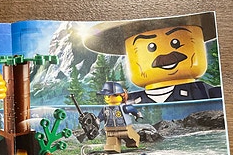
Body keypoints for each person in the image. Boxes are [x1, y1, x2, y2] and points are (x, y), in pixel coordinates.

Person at [84, 12, 221, 103]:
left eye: (175, 43)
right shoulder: (133, 101)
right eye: (151, 48)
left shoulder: (205, 92)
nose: (165, 55)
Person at [97, 81, 142, 152]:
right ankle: (113, 147)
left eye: (111, 95)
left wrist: (137, 114)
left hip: (124, 127)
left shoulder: (124, 107)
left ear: (121, 96)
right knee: (112, 139)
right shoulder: (105, 109)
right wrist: (97, 120)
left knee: (129, 136)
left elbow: (132, 109)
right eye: (106, 96)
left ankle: (134, 140)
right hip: (110, 128)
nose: (108, 97)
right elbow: (101, 116)